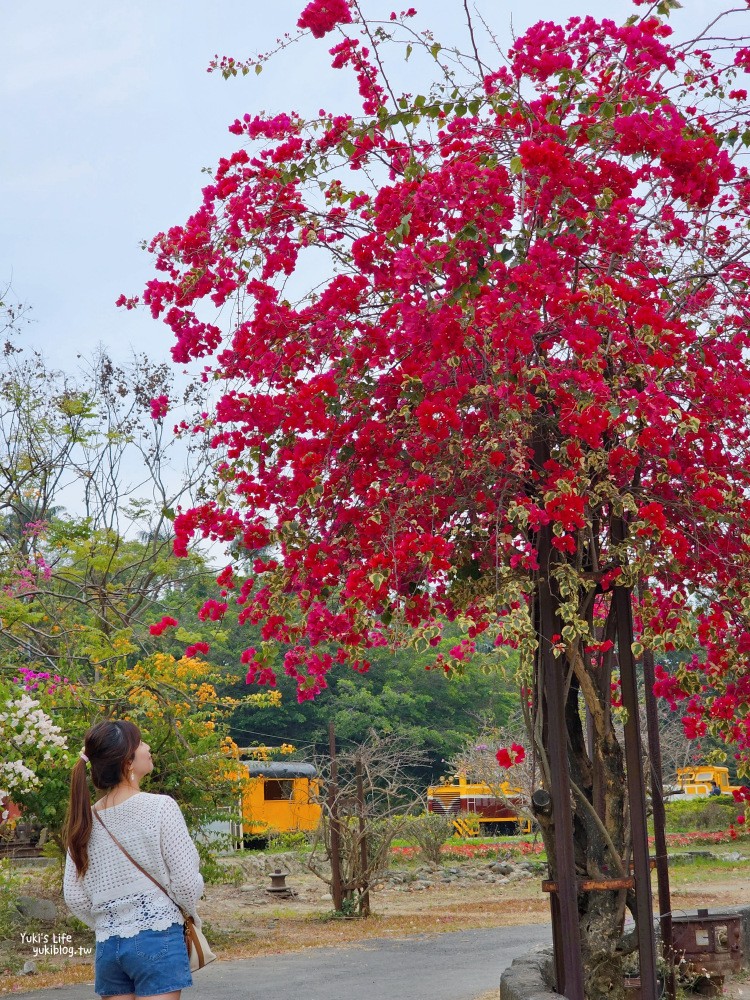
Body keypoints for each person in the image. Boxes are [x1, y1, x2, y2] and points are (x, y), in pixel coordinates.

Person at [63, 719, 204, 1000]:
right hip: (157, 937)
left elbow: (75, 896)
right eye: (140, 743)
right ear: (128, 761)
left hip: (108, 945)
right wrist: (188, 914)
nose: (148, 747)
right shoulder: (160, 807)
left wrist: (111, 920)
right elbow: (186, 884)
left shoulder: (83, 819)